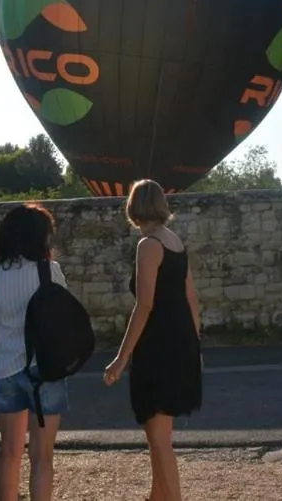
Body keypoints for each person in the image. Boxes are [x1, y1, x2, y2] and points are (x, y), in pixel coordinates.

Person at [103, 179, 203, 501]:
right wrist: (196, 346)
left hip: (158, 347)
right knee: (159, 436)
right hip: (181, 341)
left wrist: (121, 357)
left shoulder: (148, 245)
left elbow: (144, 305)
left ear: (133, 208)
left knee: (159, 441)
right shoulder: (176, 242)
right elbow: (191, 299)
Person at [0, 203, 69, 501]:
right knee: (42, 457)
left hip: (5, 368)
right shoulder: (50, 272)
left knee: (9, 451)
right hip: (44, 368)